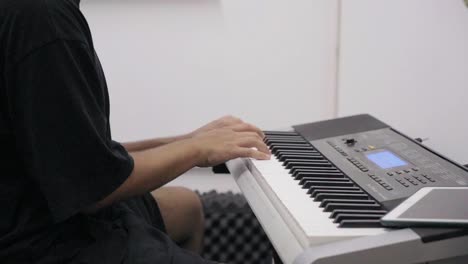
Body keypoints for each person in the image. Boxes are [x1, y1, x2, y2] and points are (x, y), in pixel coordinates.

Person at [0, 0, 271, 263]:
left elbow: (78, 153)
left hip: (47, 207)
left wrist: (189, 140)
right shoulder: (42, 18)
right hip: (41, 242)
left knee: (187, 207)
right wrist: (197, 149)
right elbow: (93, 189)